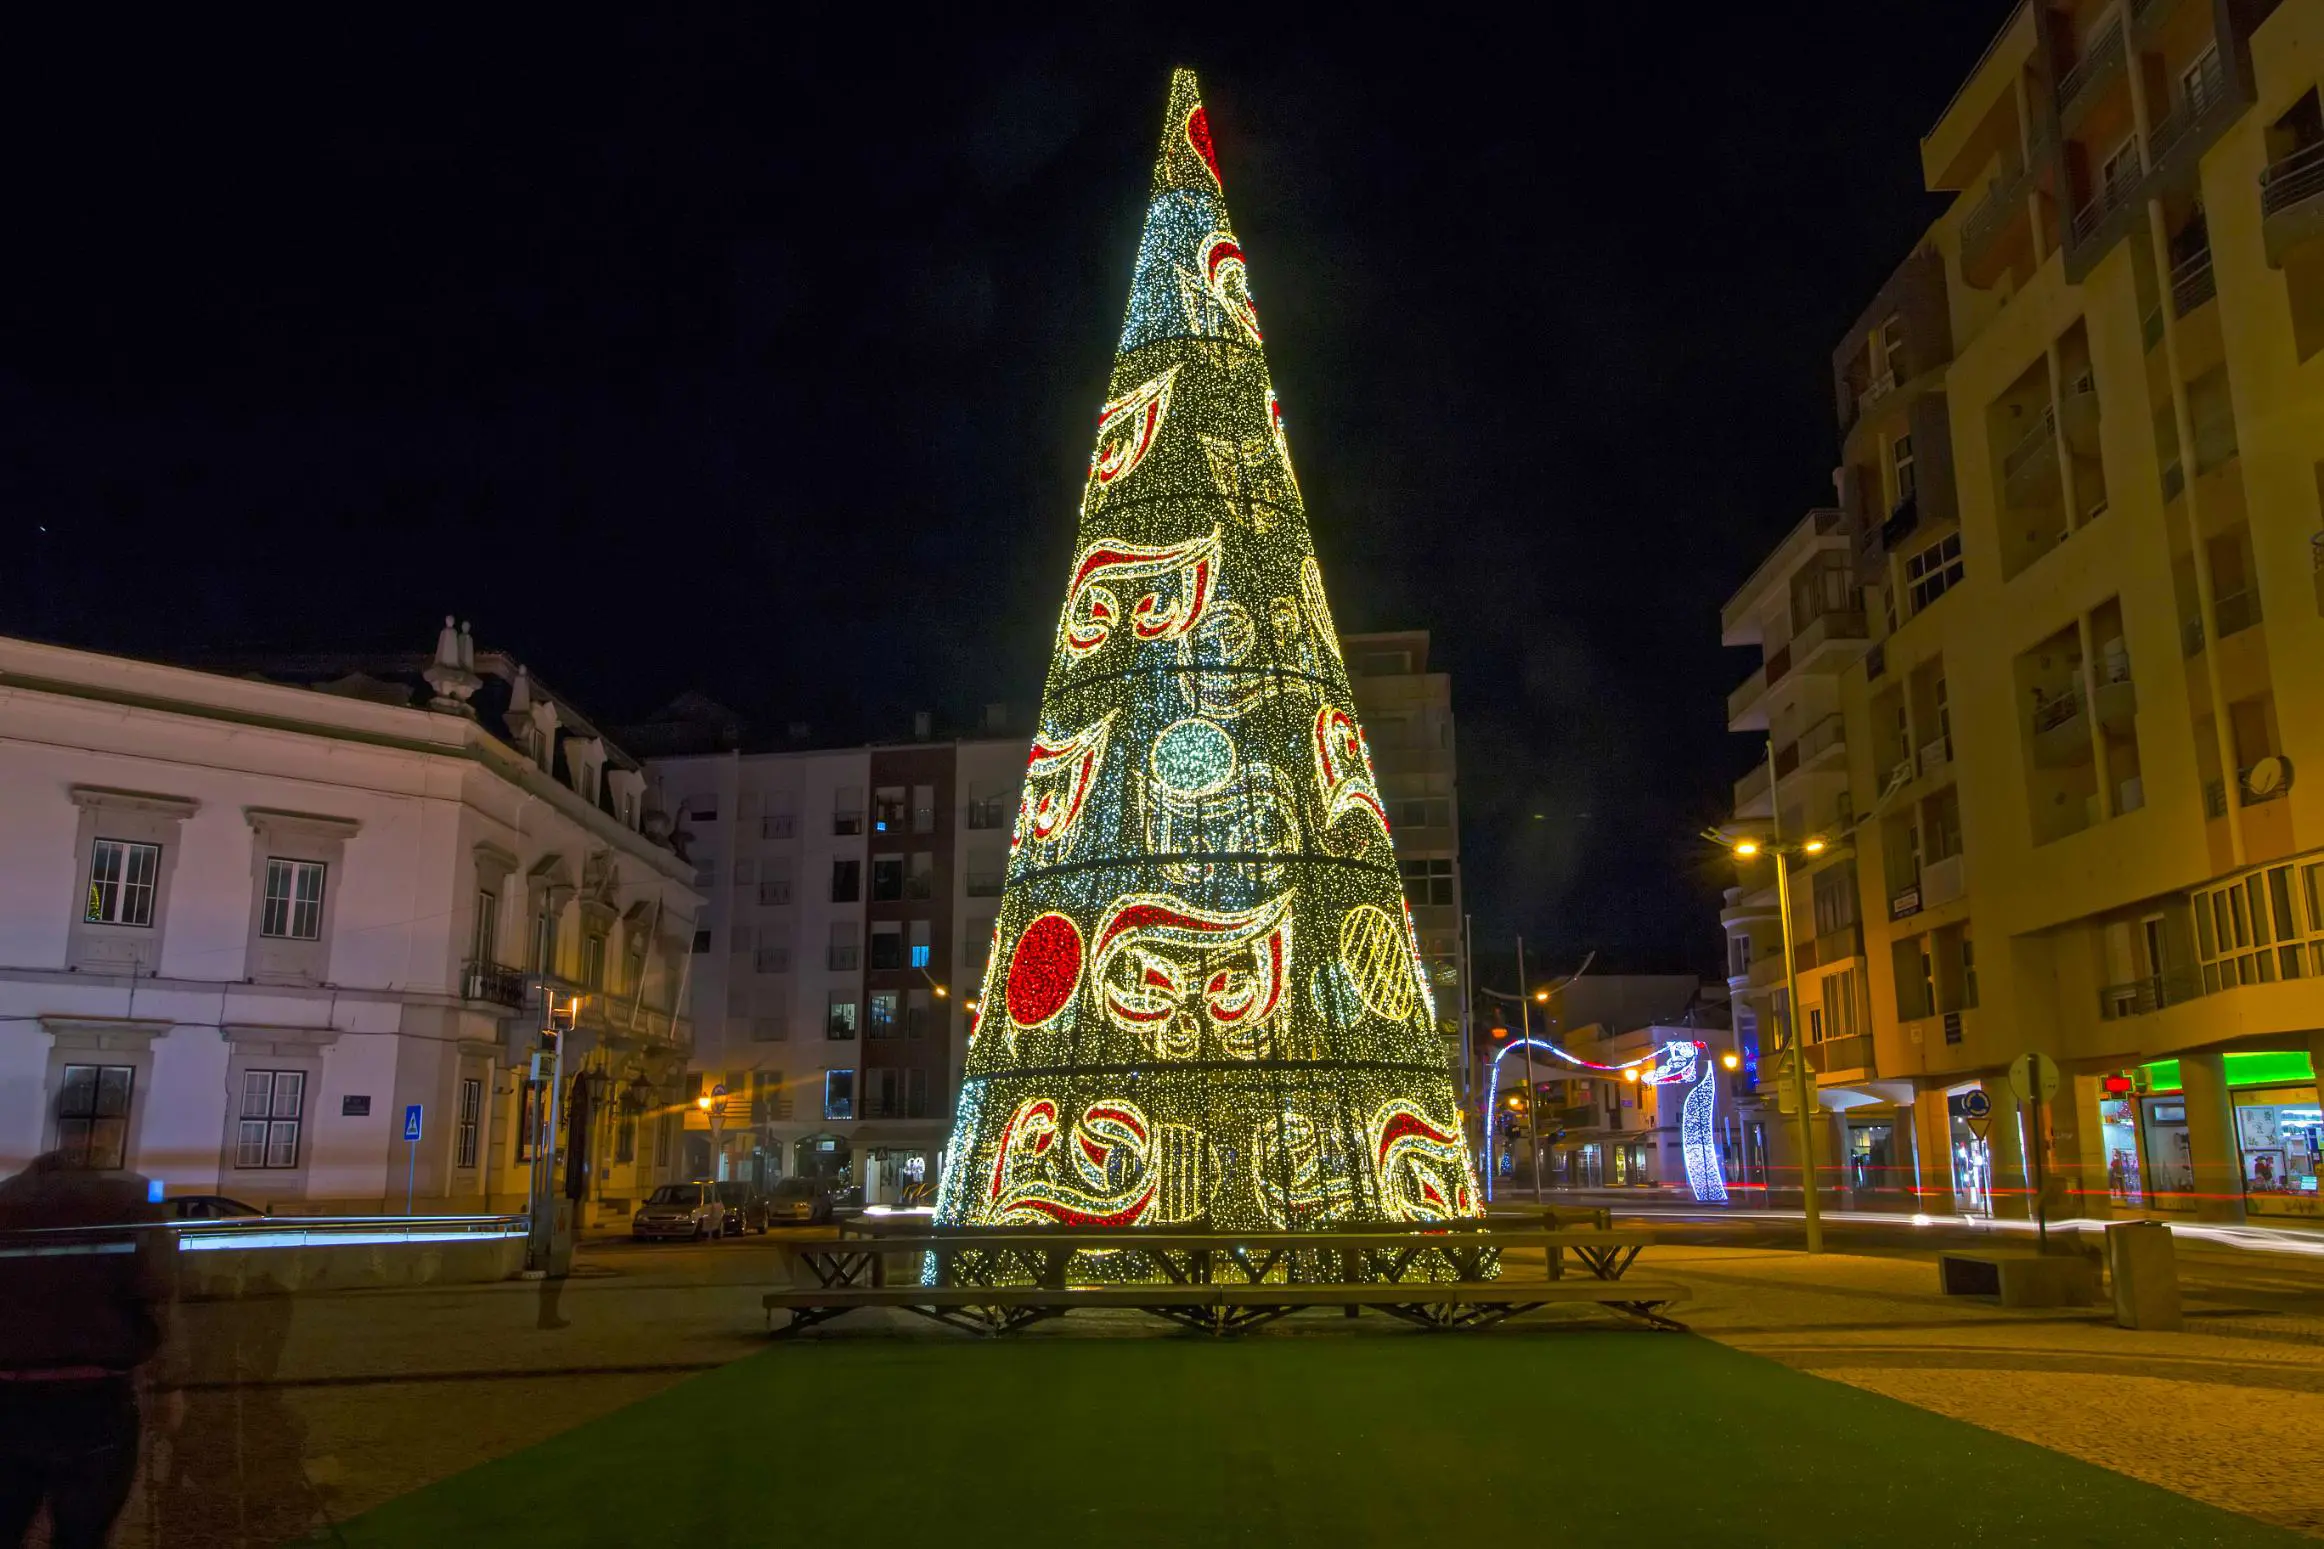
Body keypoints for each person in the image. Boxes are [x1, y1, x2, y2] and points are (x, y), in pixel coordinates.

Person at [0, 1139, 174, 1549]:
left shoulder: (6, 1201)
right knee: (83, 1536)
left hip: (9, 1393)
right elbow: (156, 1287)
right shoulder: (129, 1200)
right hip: (96, 1395)